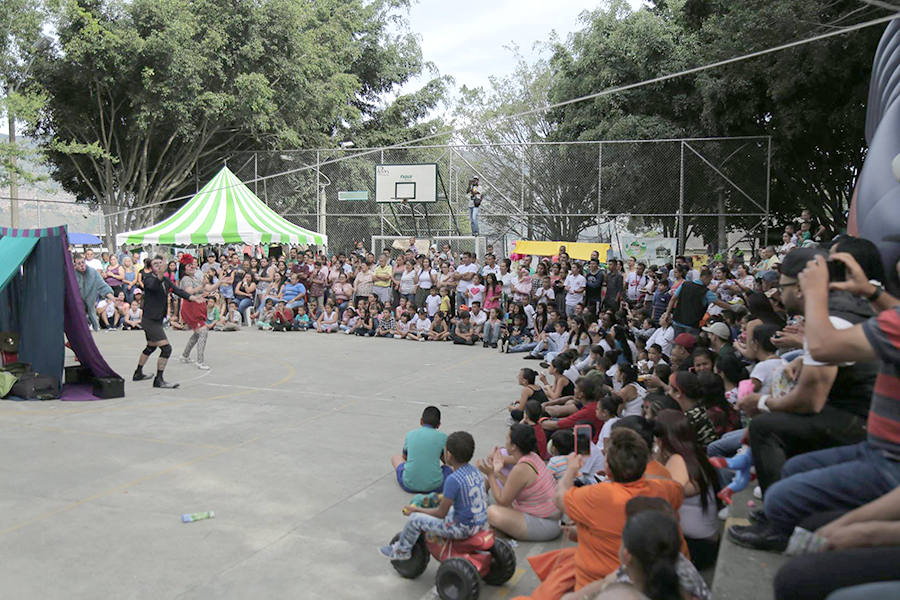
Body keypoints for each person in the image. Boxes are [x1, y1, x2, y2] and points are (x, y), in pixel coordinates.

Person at [729, 250, 900, 553]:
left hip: (861, 429)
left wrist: (763, 402)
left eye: (781, 287)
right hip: (865, 428)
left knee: (766, 428)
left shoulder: (831, 316)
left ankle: (778, 527)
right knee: (793, 469)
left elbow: (810, 398)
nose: (777, 296)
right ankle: (785, 513)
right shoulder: (836, 312)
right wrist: (872, 292)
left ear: (800, 287)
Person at [519, 429, 685, 599]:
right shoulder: (668, 489)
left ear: (607, 466)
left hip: (598, 580)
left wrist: (571, 469)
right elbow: (675, 489)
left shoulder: (596, 495)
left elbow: (559, 498)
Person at [380, 430, 486, 560]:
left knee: (415, 519)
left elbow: (441, 513)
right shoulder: (474, 471)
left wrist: (417, 510)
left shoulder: (453, 479)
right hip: (479, 522)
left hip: (463, 528)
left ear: (449, 455)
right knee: (451, 509)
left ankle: (402, 551)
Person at [653, 409, 720, 570]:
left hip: (696, 548)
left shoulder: (678, 460)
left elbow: (665, 497)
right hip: (706, 543)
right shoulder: (694, 455)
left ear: (662, 439)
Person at [478, 424, 561, 542]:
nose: (505, 440)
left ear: (513, 446)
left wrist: (490, 474)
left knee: (491, 512)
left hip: (545, 524)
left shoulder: (521, 468)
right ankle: (508, 528)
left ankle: (509, 530)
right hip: (552, 518)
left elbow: (502, 500)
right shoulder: (533, 456)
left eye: (507, 438)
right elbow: (512, 487)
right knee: (505, 502)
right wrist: (497, 472)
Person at [132, 256, 203, 388]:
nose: (159, 265)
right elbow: (153, 286)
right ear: (150, 268)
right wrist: (160, 273)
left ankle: (138, 373)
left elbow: (179, 291)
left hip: (157, 320)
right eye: (155, 264)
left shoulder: (165, 280)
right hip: (150, 320)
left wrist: (194, 298)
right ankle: (159, 380)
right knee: (166, 349)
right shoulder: (148, 279)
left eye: (160, 263)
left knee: (151, 347)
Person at [391, 406, 452, 494]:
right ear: (438, 425)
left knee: (395, 457)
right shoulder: (443, 437)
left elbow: (405, 457)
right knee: (452, 465)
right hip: (435, 487)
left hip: (408, 484)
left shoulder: (410, 434)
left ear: (421, 421)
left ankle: (414, 473)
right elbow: (447, 461)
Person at [178, 257, 220, 370]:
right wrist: (201, 286)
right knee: (203, 331)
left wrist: (220, 281)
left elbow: (210, 287)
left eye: (192, 264)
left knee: (197, 333)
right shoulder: (186, 279)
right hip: (191, 309)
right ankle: (200, 361)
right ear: (184, 268)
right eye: (188, 265)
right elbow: (188, 292)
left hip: (198, 308)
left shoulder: (196, 277)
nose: (192, 266)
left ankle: (185, 355)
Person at [662, 268, 731, 335]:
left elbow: (673, 299)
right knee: (690, 345)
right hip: (692, 324)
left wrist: (667, 313)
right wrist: (732, 307)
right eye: (709, 280)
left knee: (677, 344)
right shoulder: (705, 291)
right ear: (706, 277)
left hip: (677, 321)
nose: (709, 283)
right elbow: (718, 302)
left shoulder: (685, 284)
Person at [74, 253, 116, 331]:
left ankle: (90, 324)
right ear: (75, 265)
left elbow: (103, 286)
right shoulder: (72, 274)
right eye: (79, 263)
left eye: (83, 262)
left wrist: (113, 298)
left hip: (90, 303)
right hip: (76, 304)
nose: (82, 265)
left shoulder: (93, 273)